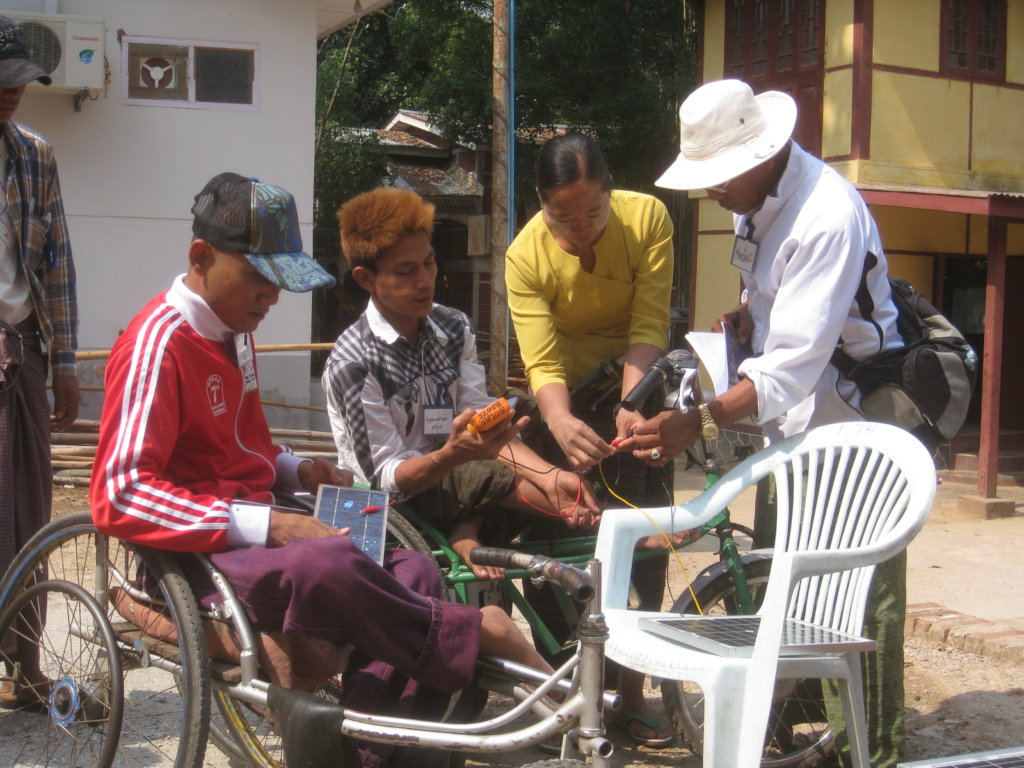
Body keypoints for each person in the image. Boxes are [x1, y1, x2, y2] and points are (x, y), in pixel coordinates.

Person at [90, 172, 550, 768]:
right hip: (195, 551)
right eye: (260, 278)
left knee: (410, 565)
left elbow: (247, 451)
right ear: (201, 257)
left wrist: (297, 469)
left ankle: (370, 753)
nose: (272, 297)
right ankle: (472, 635)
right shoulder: (158, 345)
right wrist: (271, 526)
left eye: (279, 283)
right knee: (325, 558)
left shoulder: (235, 336)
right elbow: (119, 495)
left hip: (255, 530)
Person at [623, 79, 907, 768]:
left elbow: (789, 372)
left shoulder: (826, 215)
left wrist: (698, 422)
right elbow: (770, 304)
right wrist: (746, 317)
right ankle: (801, 725)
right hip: (794, 430)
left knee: (858, 595)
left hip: (853, 426)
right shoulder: (758, 203)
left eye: (719, 179)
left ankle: (873, 749)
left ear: (761, 155)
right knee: (783, 576)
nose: (713, 194)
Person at [323, 187, 602, 580]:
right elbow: (385, 479)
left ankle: (472, 527)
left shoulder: (453, 326)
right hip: (398, 499)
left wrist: (546, 474)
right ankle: (603, 521)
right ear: (366, 279)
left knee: (526, 409)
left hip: (462, 469)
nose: (425, 281)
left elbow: (478, 412)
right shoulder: (353, 363)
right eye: (406, 271)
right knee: (482, 468)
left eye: (430, 263)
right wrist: (453, 455)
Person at [504, 133, 675, 748]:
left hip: (637, 385)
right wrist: (557, 421)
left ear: (611, 192)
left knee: (646, 552)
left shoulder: (648, 217)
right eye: (561, 216)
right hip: (565, 406)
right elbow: (540, 357)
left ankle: (632, 696)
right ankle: (563, 696)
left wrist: (632, 404)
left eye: (593, 213)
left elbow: (649, 319)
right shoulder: (524, 255)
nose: (579, 229)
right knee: (560, 552)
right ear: (541, 204)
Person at [0, 15, 80, 709]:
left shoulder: (34, 155)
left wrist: (66, 364)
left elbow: (57, 265)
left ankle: (24, 670)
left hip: (20, 353)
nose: (11, 95)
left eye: (19, 84)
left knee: (28, 515)